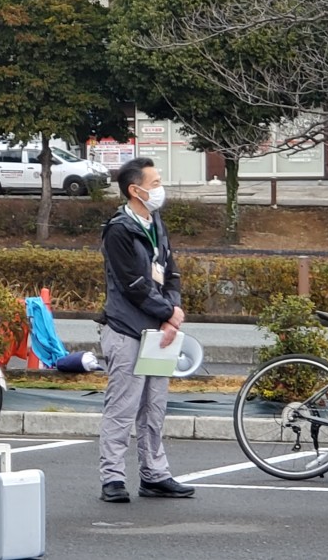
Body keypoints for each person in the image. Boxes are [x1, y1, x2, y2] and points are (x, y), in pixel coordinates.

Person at [97, 157, 194, 503]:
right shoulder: (119, 229)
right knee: (122, 407)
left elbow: (171, 271)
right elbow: (134, 284)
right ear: (134, 190)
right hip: (127, 329)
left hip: (159, 332)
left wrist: (171, 313)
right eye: (154, 183)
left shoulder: (155, 222)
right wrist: (169, 311)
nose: (160, 188)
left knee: (154, 407)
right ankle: (112, 477)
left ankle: (155, 474)